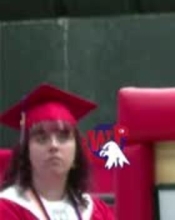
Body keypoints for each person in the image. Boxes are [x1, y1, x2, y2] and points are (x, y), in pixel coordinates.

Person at [0, 83, 115, 219]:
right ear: (26, 151)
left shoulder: (97, 211)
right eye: (41, 138)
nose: (54, 145)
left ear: (77, 150)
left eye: (63, 136)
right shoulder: (7, 208)